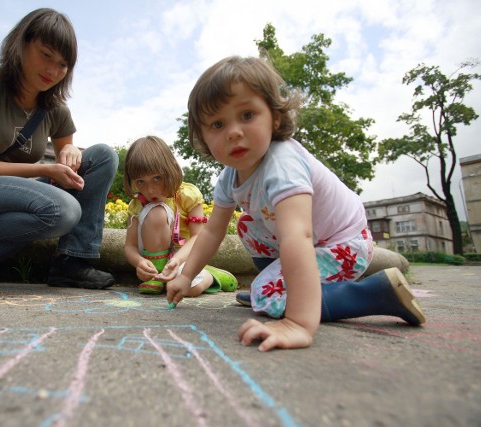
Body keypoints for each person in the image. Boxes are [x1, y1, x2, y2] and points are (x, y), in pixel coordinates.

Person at [166, 56, 426, 351]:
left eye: (248, 115)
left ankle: (377, 293)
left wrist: (297, 323)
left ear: (274, 117)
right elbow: (212, 232)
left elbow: (297, 236)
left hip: (344, 244)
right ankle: (276, 282)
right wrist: (186, 276)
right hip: (318, 239)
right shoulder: (229, 178)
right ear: (202, 136)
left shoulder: (282, 164)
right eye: (217, 123)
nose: (234, 131)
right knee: (247, 224)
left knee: (267, 297)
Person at [0, 8, 118, 289]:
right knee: (63, 209)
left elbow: (69, 159)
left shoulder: (56, 109)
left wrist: (72, 152)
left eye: (63, 65)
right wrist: (42, 169)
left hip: (18, 193)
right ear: (21, 42)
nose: (53, 71)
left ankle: (72, 261)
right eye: (46, 55)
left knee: (103, 155)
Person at [123, 136, 237, 295]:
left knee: (191, 288)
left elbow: (198, 236)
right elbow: (130, 246)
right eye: (141, 182)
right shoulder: (136, 205)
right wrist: (140, 262)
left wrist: (176, 261)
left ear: (170, 170)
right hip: (151, 259)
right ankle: (156, 273)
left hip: (183, 256)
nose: (150, 190)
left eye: (157, 178)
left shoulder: (187, 195)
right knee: (156, 212)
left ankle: (211, 275)